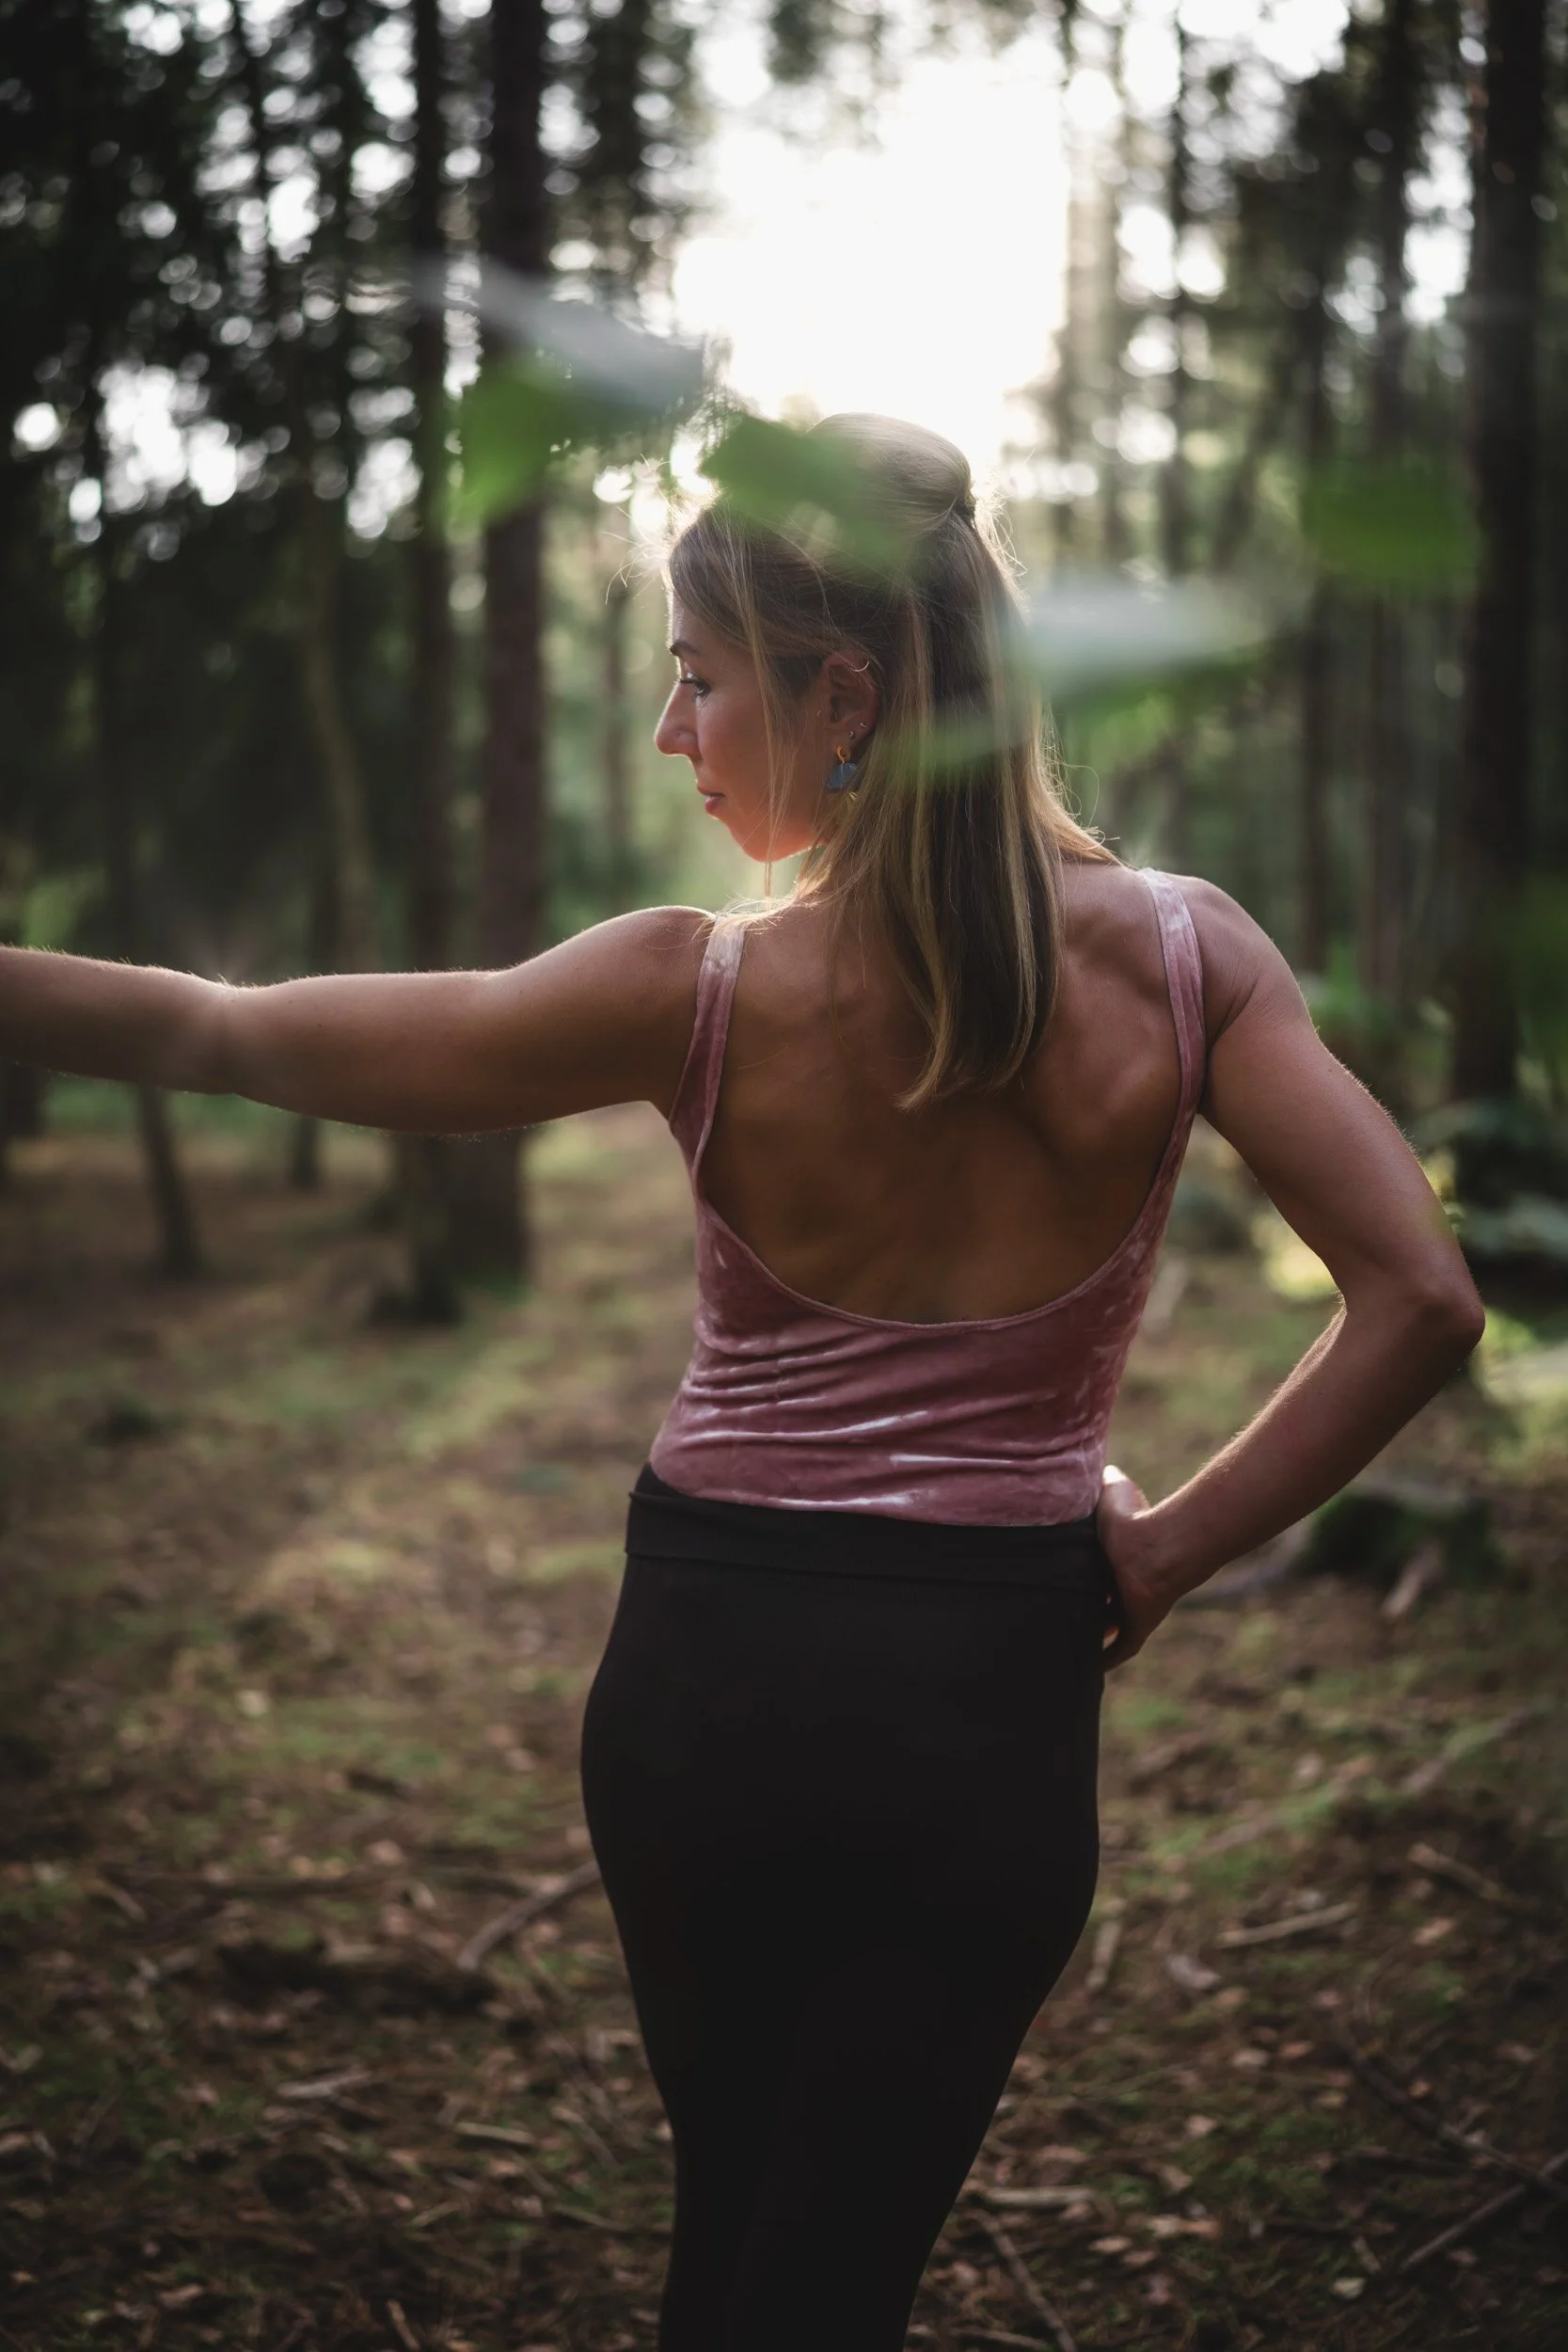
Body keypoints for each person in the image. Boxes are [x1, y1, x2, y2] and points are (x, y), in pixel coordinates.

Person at [0, 414, 1482, 2351]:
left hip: (711, 1684)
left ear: (843, 692)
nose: (667, 735)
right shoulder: (1191, 960)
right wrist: (1167, 1550)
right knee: (826, 2264)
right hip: (988, 1701)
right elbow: (1419, 1297)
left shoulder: (688, 986)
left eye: (697, 682)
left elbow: (220, 1028)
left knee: (736, 2224)